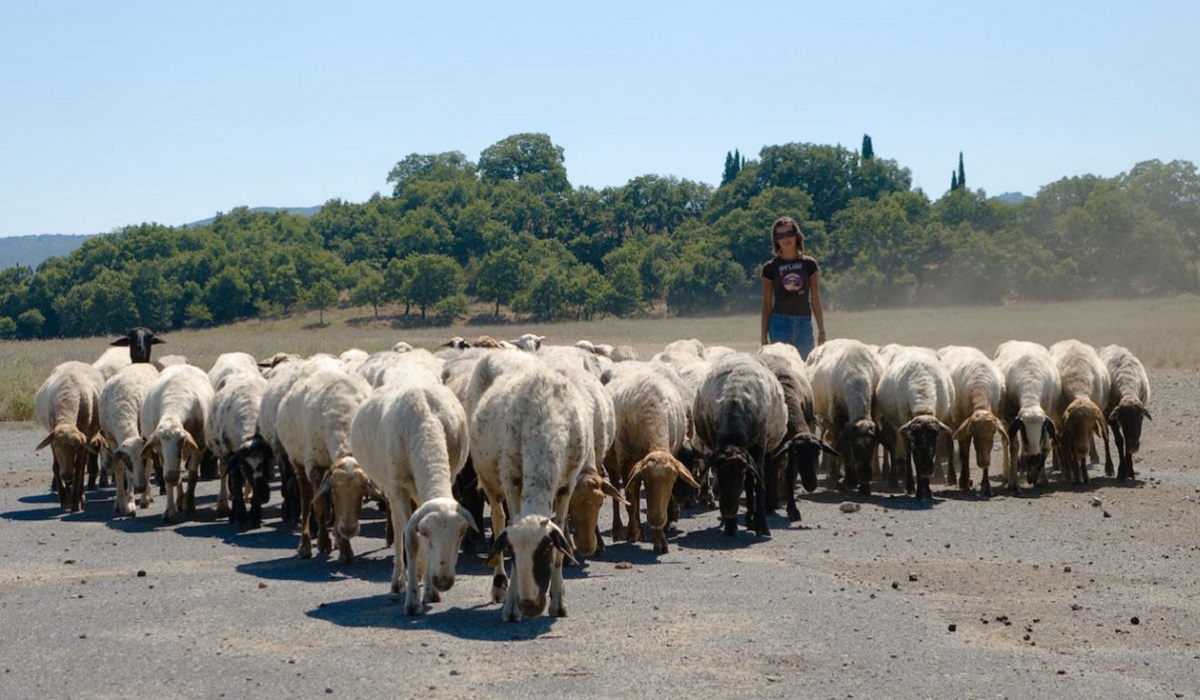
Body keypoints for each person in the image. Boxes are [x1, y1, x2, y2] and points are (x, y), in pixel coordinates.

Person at [760, 215, 825, 358]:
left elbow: (815, 299)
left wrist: (822, 332)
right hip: (779, 323)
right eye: (781, 235)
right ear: (776, 240)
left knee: (805, 366)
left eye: (789, 233)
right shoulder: (770, 268)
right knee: (782, 368)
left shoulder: (809, 264)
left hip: (804, 323)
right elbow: (766, 305)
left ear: (796, 235)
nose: (786, 239)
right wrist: (764, 338)